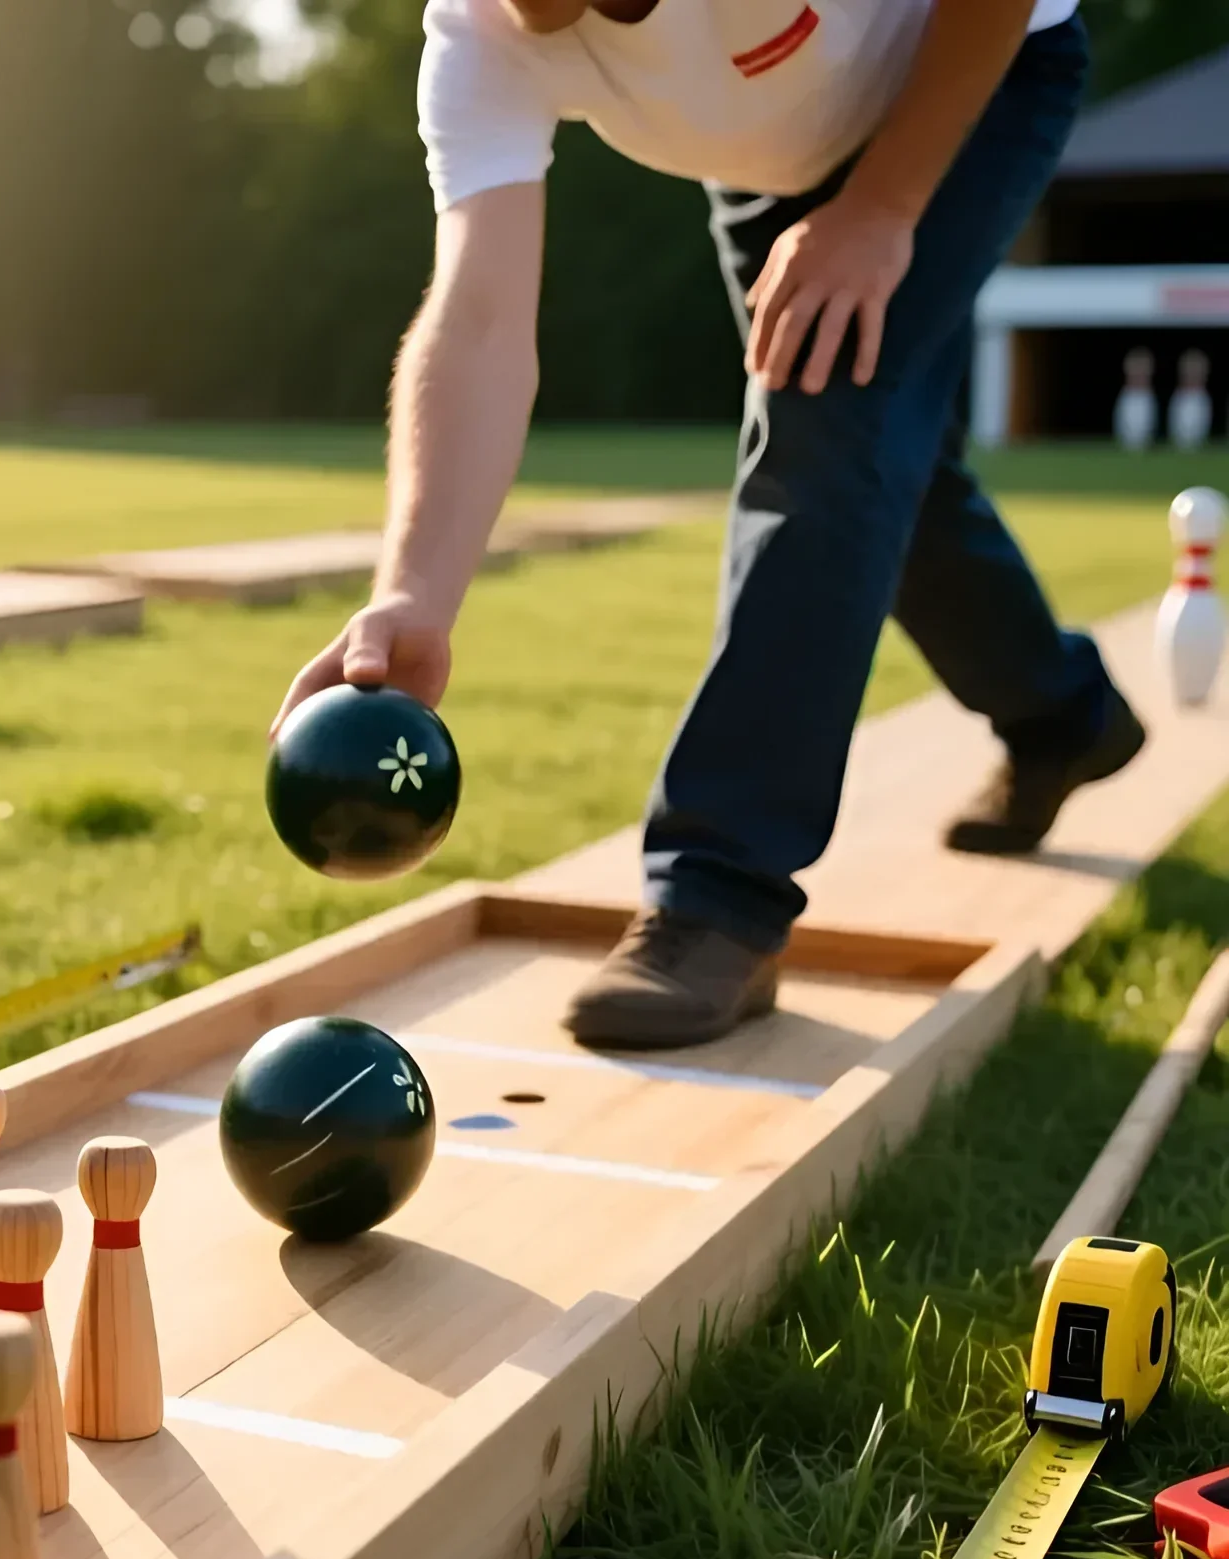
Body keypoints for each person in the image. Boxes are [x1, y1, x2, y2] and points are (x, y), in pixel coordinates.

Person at [274, 0, 1144, 1050]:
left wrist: (877, 209)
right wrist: (412, 591)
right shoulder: (477, 35)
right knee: (880, 470)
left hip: (977, 66)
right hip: (769, 164)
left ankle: (716, 892)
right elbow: (477, 318)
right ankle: (1062, 714)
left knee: (823, 439)